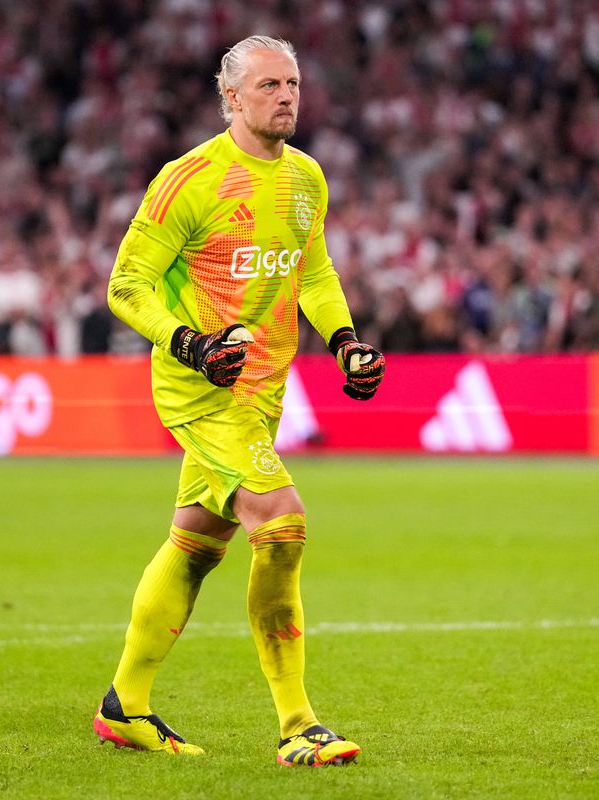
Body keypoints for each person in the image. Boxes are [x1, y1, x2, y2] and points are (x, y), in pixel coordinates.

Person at [94, 35, 385, 767]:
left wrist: (344, 340)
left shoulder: (306, 180)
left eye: (292, 83)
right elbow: (125, 284)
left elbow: (312, 271)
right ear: (231, 99)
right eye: (267, 86)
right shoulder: (189, 179)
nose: (286, 96)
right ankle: (298, 725)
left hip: (264, 390)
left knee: (195, 545)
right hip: (202, 388)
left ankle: (125, 706)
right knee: (281, 525)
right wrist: (189, 342)